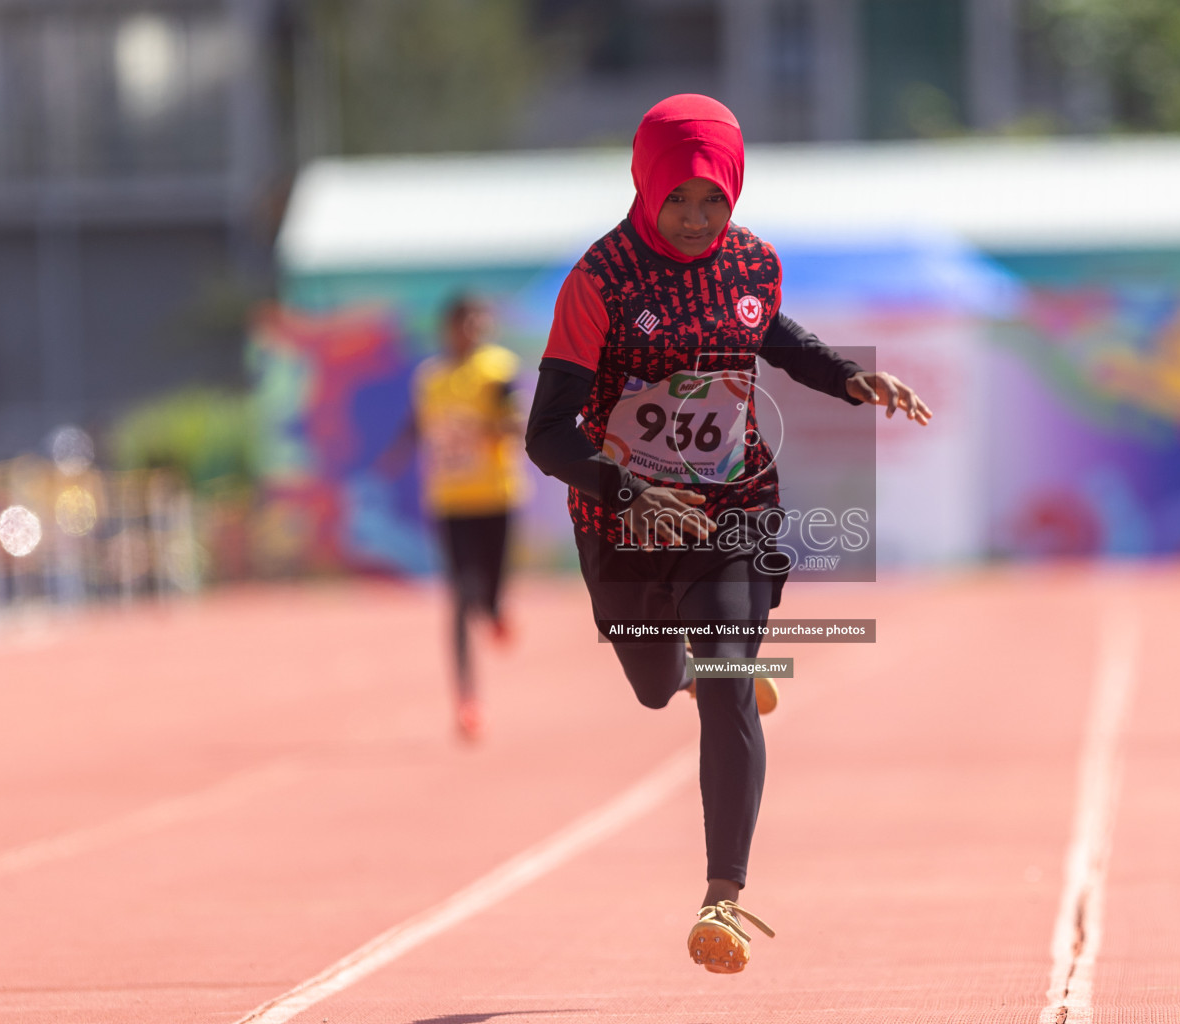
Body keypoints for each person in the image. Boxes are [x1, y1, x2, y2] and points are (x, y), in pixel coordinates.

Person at [525, 94, 932, 974]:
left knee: (727, 679)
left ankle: (725, 901)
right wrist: (624, 486)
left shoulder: (753, 260)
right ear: (646, 184)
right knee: (651, 679)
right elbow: (546, 433)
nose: (697, 218)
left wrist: (850, 377)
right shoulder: (599, 281)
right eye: (679, 199)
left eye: (714, 199)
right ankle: (690, 672)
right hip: (624, 518)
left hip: (731, 508)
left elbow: (766, 332)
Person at [392, 295, 527, 742]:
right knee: (459, 597)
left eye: (478, 322)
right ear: (447, 327)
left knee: (488, 593)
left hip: (497, 496)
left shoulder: (496, 369)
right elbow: (417, 422)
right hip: (451, 501)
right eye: (462, 323)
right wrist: (394, 455)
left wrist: (487, 428)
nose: (471, 330)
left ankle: (496, 609)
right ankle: (467, 700)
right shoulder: (430, 378)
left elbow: (516, 421)